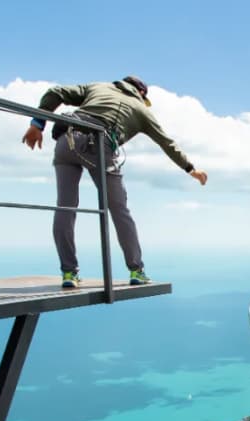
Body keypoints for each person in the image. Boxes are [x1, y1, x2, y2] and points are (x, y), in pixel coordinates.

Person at [21, 75, 208, 288]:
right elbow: (167, 143)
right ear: (141, 93)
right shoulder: (141, 109)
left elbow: (55, 92)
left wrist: (37, 124)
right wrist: (191, 169)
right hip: (97, 144)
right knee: (119, 209)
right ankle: (136, 270)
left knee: (65, 207)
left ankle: (68, 274)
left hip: (65, 140)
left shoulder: (97, 87)